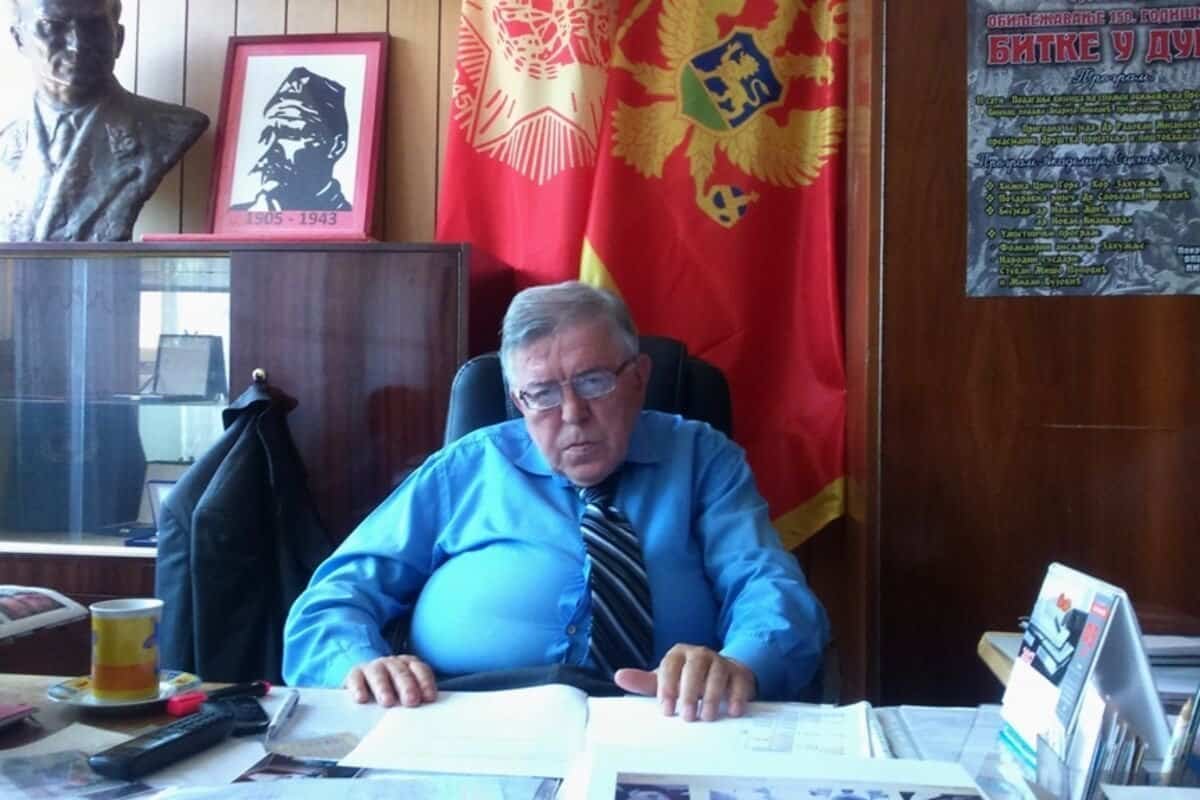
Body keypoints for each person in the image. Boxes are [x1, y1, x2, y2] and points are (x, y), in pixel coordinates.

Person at [283, 281, 829, 722]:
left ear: (638, 378)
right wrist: (360, 666)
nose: (571, 414)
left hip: (663, 720)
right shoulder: (466, 468)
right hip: (459, 719)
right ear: (517, 400)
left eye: (593, 382)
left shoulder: (701, 458)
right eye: (542, 394)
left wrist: (740, 665)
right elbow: (332, 599)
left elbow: (768, 586)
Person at [0, 0, 208, 241]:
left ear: (118, 39)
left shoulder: (170, 128)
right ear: (19, 39)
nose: (77, 45)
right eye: (52, 26)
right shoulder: (7, 137)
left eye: (94, 26)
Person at [231, 67, 352, 212]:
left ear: (336, 146)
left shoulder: (348, 216)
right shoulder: (240, 213)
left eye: (290, 134)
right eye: (268, 134)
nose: (270, 151)